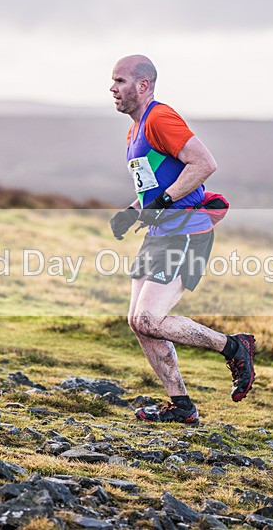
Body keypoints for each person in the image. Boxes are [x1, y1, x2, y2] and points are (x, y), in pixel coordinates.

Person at [109, 54, 256, 424]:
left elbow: (204, 164)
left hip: (187, 232)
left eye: (121, 81)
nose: (113, 88)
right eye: (112, 81)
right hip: (160, 233)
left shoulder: (159, 117)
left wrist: (166, 200)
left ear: (143, 86)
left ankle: (234, 347)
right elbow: (155, 184)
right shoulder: (135, 129)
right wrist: (132, 211)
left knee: (150, 317)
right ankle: (181, 406)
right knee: (137, 321)